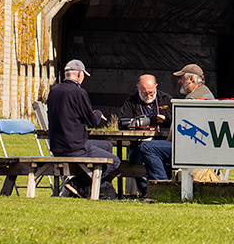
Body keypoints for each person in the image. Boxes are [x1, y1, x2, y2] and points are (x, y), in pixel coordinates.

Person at [45, 59, 120, 199]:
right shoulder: (78, 92)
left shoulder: (54, 90)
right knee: (114, 161)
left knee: (107, 146)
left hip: (56, 145)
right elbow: (92, 121)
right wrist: (97, 113)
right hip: (75, 146)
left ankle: (98, 190)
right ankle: (77, 183)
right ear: (79, 74)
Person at [122, 74, 173, 197]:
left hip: (162, 140)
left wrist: (165, 119)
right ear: (138, 88)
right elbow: (122, 122)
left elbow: (177, 118)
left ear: (156, 86)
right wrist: (135, 123)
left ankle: (164, 188)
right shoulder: (131, 101)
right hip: (138, 142)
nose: (148, 96)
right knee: (135, 156)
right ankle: (145, 191)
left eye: (151, 92)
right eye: (144, 93)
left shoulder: (166, 99)